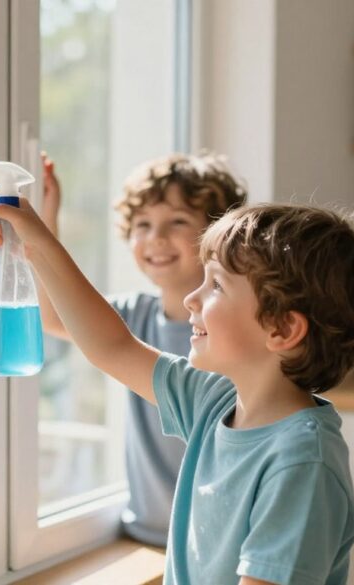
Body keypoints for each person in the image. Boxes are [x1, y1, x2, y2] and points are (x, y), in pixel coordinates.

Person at [0, 197, 354, 584]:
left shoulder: (302, 463)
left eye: (217, 286)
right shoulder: (216, 401)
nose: (190, 298)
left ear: (282, 328)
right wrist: (34, 242)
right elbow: (111, 346)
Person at [37, 151, 247, 546]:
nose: (156, 238)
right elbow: (53, 317)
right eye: (143, 224)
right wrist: (45, 219)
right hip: (145, 536)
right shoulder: (133, 316)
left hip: (216, 546)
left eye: (178, 222)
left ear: (218, 234)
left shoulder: (237, 328)